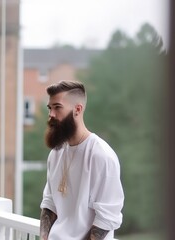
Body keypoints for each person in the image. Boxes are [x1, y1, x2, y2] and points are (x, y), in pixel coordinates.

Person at [40, 80, 124, 240]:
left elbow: (107, 218)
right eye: (50, 108)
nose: (51, 114)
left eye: (57, 107)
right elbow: (49, 204)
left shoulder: (101, 155)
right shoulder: (56, 153)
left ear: (77, 109)